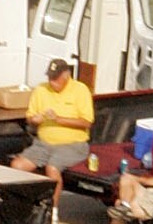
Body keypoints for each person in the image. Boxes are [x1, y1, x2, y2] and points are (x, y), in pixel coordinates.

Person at [11, 58, 95, 211]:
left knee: (52, 167)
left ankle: (51, 212)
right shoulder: (40, 90)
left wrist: (58, 119)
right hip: (43, 143)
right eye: (50, 78)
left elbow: (86, 122)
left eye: (56, 79)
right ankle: (24, 206)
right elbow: (30, 118)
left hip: (72, 145)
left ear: (66, 75)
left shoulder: (80, 90)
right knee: (17, 165)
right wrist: (34, 120)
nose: (52, 82)